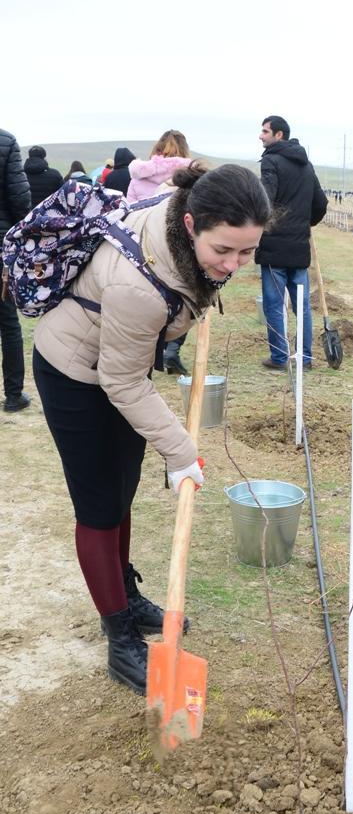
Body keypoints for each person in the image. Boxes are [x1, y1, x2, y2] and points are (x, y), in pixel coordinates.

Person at [32, 162, 271, 694]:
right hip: (75, 372)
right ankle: (119, 638)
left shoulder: (182, 221)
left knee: (121, 491)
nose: (233, 264)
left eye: (247, 251)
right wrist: (181, 450)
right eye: (223, 251)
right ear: (191, 226)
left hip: (118, 364)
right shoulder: (138, 283)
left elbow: (127, 373)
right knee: (97, 504)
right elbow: (121, 383)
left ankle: (124, 593)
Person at [256, 115, 328, 370]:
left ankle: (279, 358)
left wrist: (261, 227)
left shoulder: (270, 162)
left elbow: (265, 200)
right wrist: (305, 224)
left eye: (265, 131)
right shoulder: (306, 165)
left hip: (274, 247)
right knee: (303, 306)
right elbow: (320, 203)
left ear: (279, 135)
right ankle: (305, 358)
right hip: (299, 246)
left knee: (274, 305)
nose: (261, 135)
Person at [127, 130, 194, 375]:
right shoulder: (190, 178)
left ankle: (143, 350)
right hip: (178, 248)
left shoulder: (139, 176)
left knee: (144, 300)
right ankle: (172, 349)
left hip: (143, 246)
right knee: (184, 299)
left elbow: (130, 211)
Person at [0, 128, 32, 412]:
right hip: (1, 249)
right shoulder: (6, 141)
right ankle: (13, 395)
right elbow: (19, 200)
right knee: (8, 324)